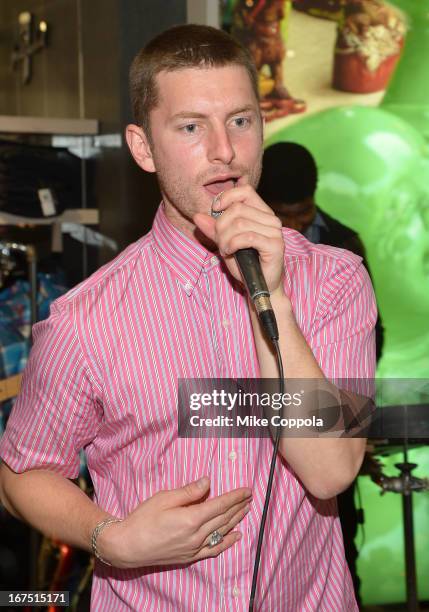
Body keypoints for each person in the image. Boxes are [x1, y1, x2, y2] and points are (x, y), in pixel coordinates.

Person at [0, 25, 376, 611]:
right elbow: (23, 473)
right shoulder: (86, 317)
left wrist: (271, 293)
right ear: (143, 147)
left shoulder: (335, 280)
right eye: (191, 126)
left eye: (241, 120)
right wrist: (113, 539)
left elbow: (329, 471)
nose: (224, 149)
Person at [258, 141, 372, 606]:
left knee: (338, 539)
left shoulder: (344, 248)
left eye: (301, 214)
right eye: (281, 214)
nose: (292, 227)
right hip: (266, 410)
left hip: (334, 413)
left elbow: (372, 334)